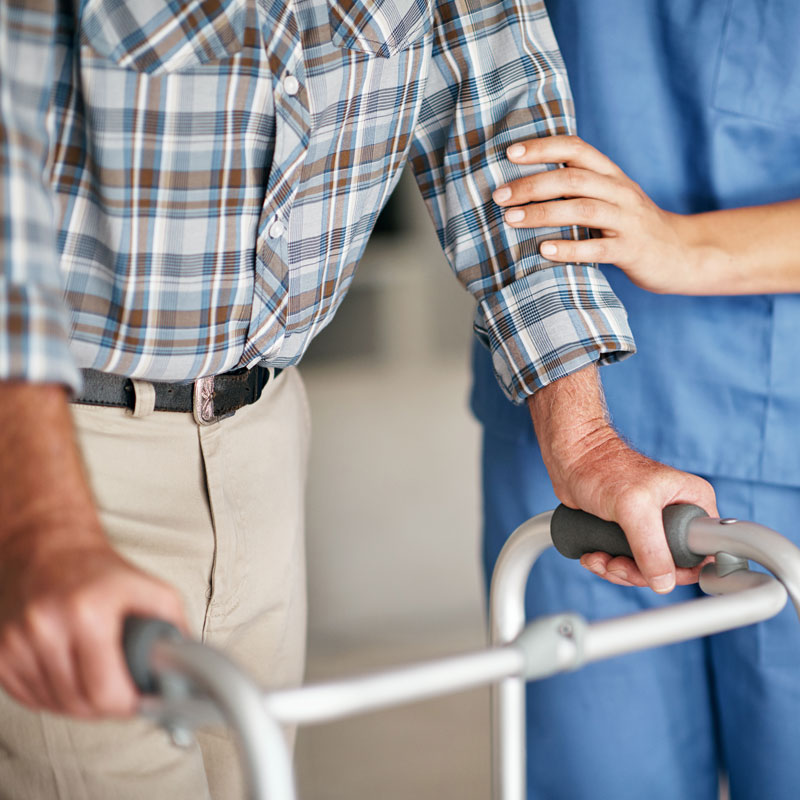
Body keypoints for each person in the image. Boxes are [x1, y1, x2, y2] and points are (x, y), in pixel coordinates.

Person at [0, 1, 715, 797]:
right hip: (50, 442)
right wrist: (39, 521)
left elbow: (501, 127)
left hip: (262, 439)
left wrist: (586, 443)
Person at [474, 1, 800, 798]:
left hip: (781, 425)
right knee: (601, 774)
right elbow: (470, 89)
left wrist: (684, 245)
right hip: (569, 414)